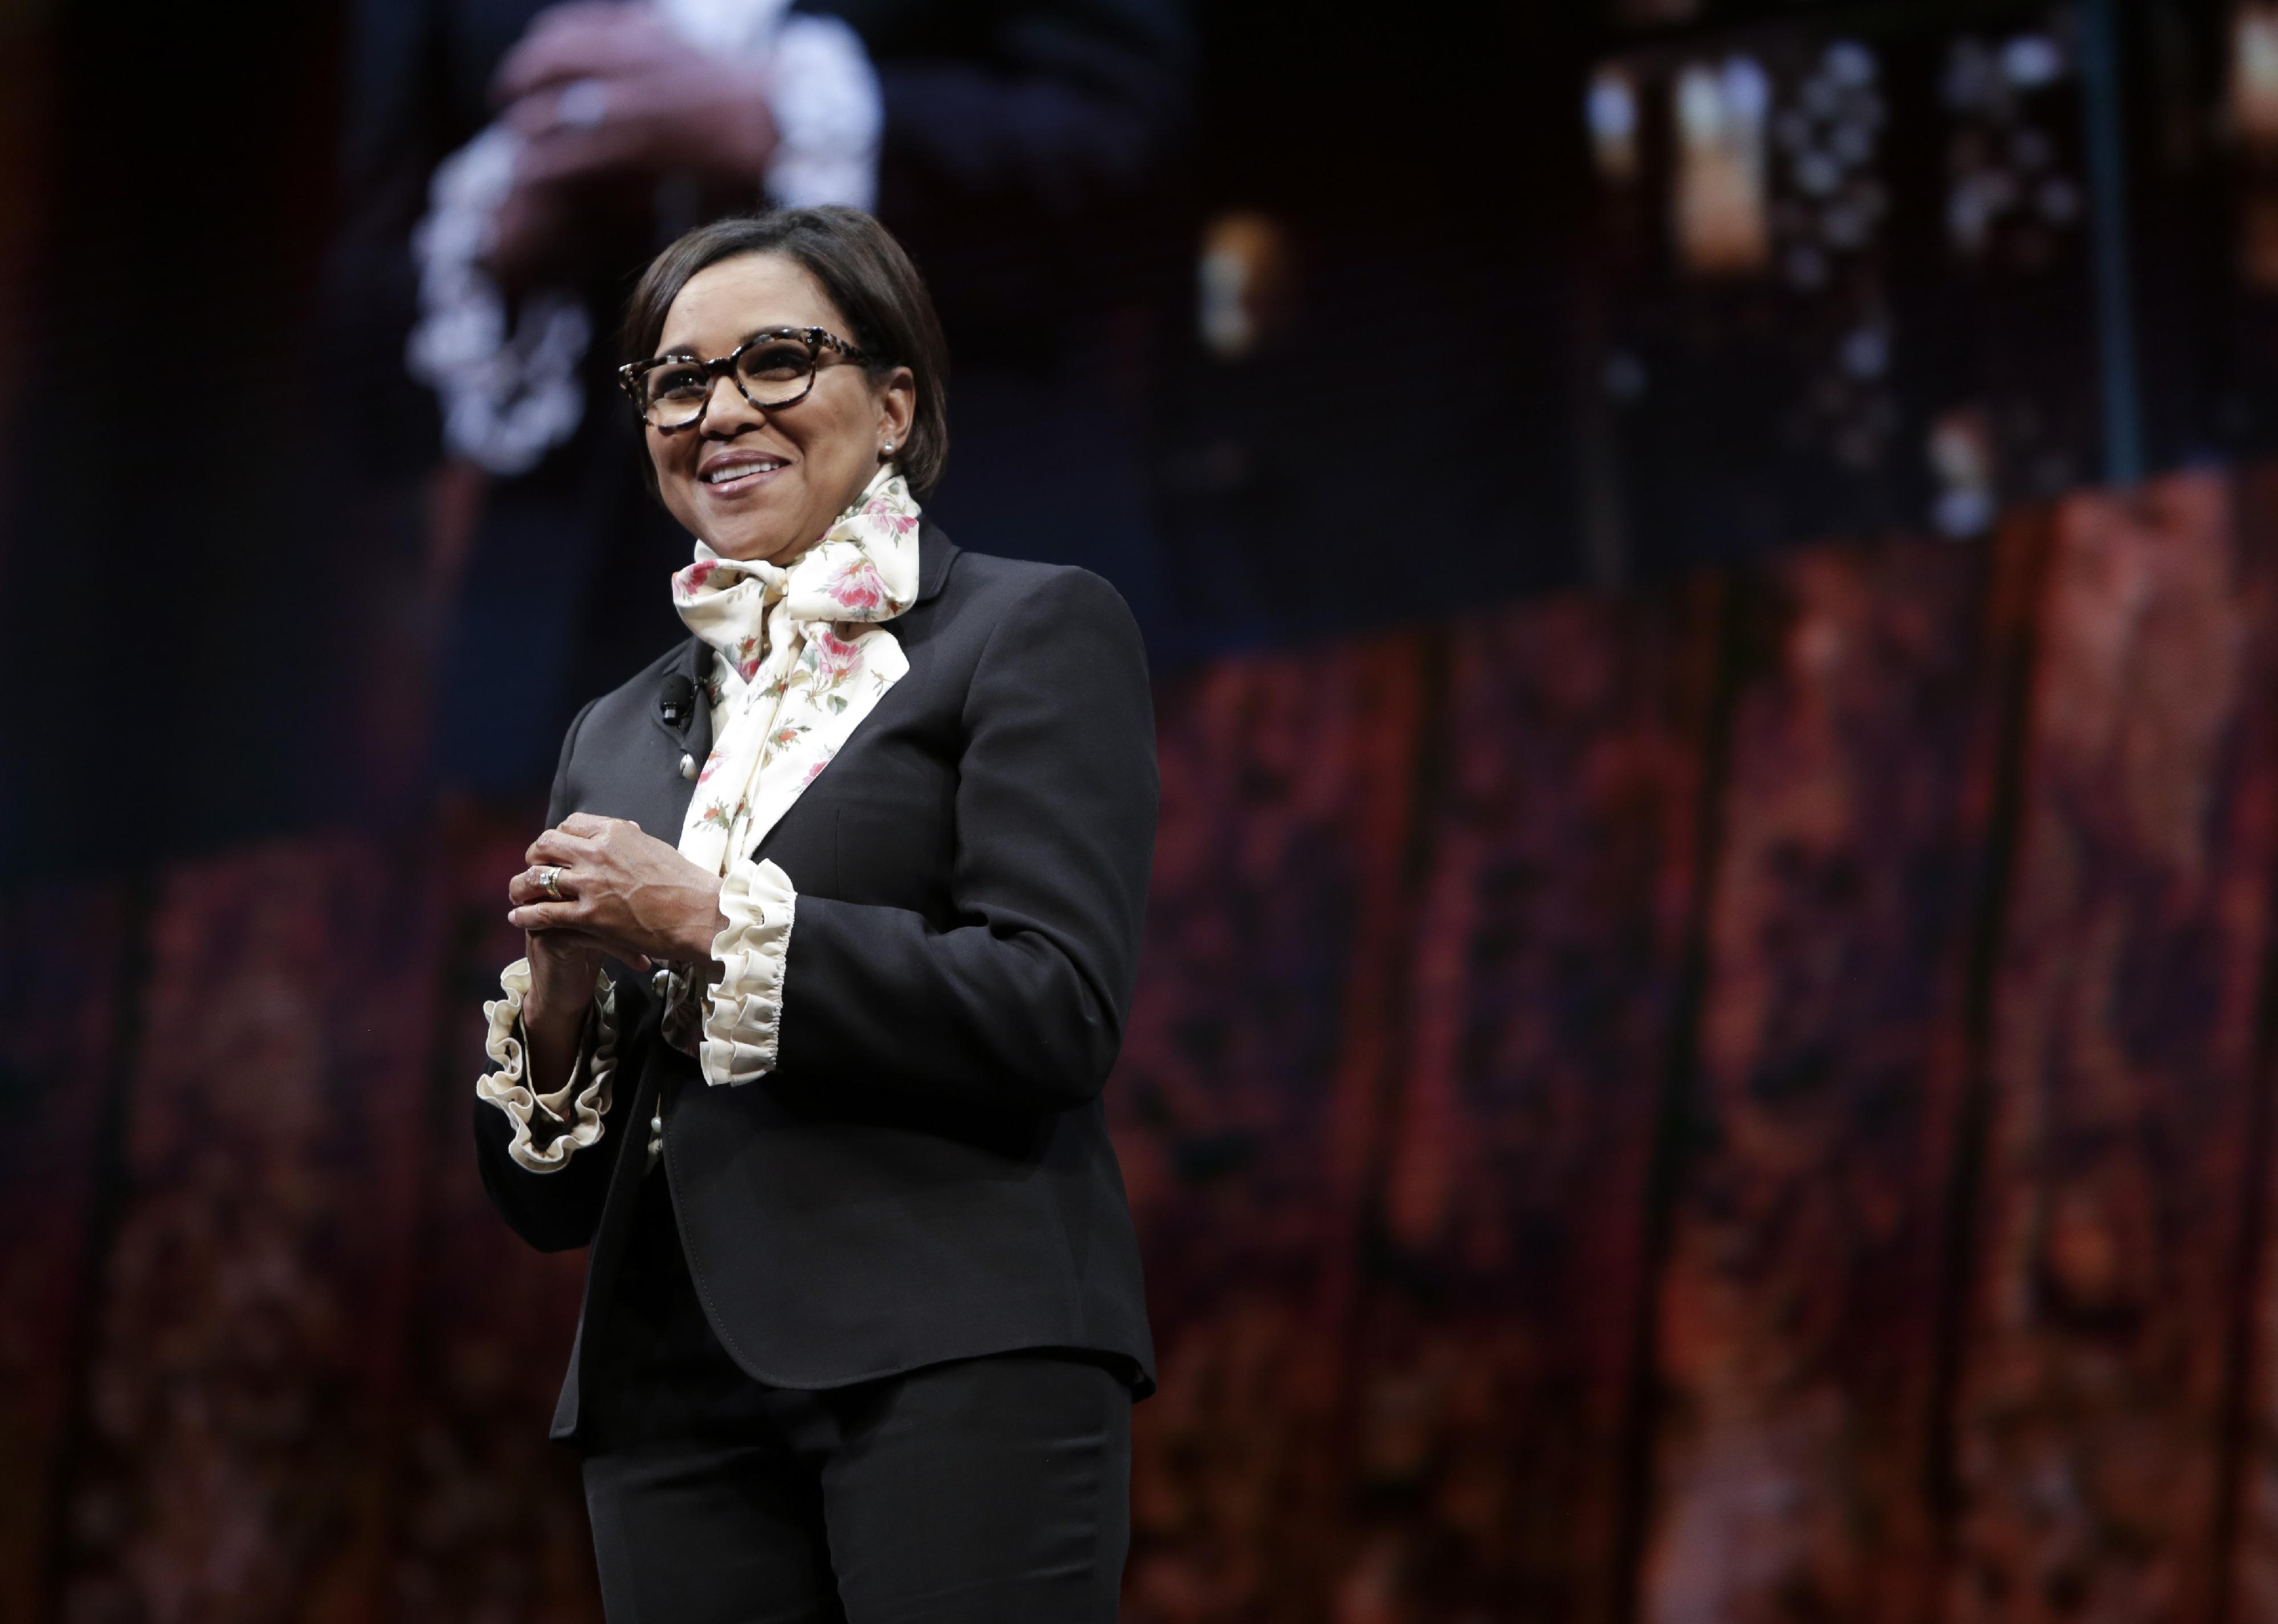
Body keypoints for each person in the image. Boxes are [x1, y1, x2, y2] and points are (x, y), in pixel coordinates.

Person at [470, 206, 1158, 1619]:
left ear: (895, 402)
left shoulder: (1026, 630)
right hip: (665, 1394)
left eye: (777, 362)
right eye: (678, 382)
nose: (722, 411)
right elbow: (547, 1206)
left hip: (955, 1352)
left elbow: (1055, 1009)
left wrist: (707, 921)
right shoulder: (616, 725)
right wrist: (554, 1011)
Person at [329, 0, 1190, 797]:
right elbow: (363, 355)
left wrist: (770, 124)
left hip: (961, 625)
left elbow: (1133, 153)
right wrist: (494, 232)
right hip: (568, 676)